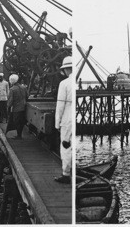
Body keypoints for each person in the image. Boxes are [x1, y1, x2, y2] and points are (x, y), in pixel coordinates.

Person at [54, 56, 72, 184]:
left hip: (67, 120)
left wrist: (57, 122)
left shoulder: (64, 83)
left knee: (66, 146)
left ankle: (66, 174)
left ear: (65, 70)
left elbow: (60, 105)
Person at [6, 74, 27, 139]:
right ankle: (19, 134)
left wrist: (8, 107)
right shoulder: (24, 87)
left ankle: (19, 136)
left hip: (16, 108)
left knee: (16, 122)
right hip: (23, 107)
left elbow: (10, 100)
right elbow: (27, 95)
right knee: (21, 122)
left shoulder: (12, 89)